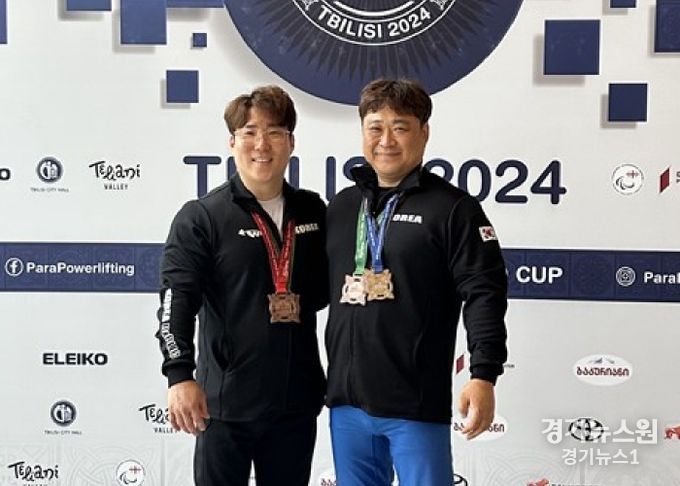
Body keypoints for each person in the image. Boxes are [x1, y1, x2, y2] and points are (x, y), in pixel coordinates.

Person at [325, 78, 508, 486]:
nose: (386, 140)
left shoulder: (454, 209)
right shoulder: (342, 207)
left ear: (424, 133)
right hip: (346, 405)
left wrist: (483, 373)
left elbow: (484, 293)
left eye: (400, 127)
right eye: (375, 127)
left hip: (414, 405)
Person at [155, 85, 328, 486]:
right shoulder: (202, 217)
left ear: (291, 143)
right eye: (249, 132)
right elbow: (176, 300)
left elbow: (324, 292)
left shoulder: (313, 211)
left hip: (295, 405)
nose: (261, 145)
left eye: (274, 132)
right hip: (224, 407)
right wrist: (179, 374)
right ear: (232, 142)